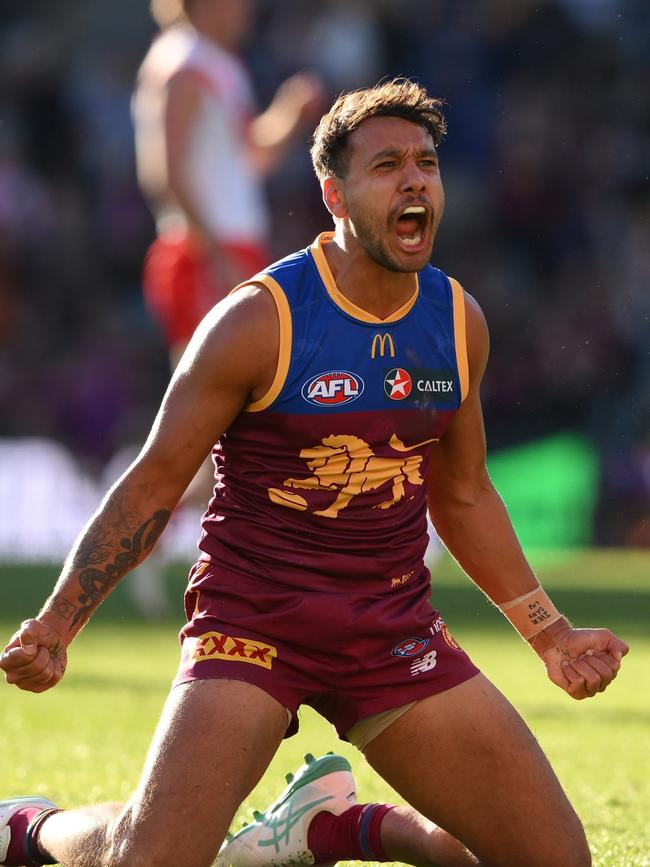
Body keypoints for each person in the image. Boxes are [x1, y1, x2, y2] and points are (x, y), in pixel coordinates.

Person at [0, 80, 628, 867]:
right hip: (256, 623)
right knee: (147, 858)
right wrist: (58, 622)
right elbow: (155, 483)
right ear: (333, 193)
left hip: (389, 631)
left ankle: (337, 826)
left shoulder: (456, 319)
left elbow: (462, 492)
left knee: (557, 859)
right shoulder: (258, 320)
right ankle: (28, 826)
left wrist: (551, 633)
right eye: (387, 165)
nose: (414, 181)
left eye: (427, 163)